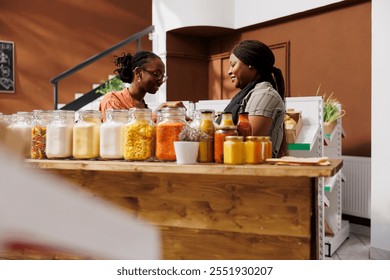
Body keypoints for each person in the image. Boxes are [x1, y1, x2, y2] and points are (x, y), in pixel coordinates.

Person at [216, 39, 286, 158]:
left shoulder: (264, 95)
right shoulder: (251, 93)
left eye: (233, 65)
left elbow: (247, 141)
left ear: (251, 64)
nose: (229, 71)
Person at [99, 51, 184, 120]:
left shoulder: (143, 106)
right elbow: (124, 135)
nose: (161, 81)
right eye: (156, 74)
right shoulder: (113, 100)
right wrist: (160, 109)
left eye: (163, 77)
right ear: (138, 73)